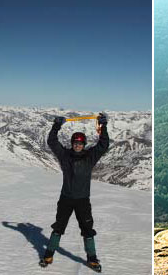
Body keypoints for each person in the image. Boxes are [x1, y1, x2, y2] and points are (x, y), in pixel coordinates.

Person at [42, 113, 110, 270]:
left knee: (87, 229)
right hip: (66, 199)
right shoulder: (65, 156)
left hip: (82, 200)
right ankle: (49, 254)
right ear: (72, 143)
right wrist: (56, 126)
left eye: (80, 143)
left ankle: (92, 258)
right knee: (59, 226)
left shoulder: (90, 157)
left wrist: (103, 126)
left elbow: (103, 144)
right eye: (75, 143)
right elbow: (52, 141)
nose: (78, 145)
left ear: (84, 144)